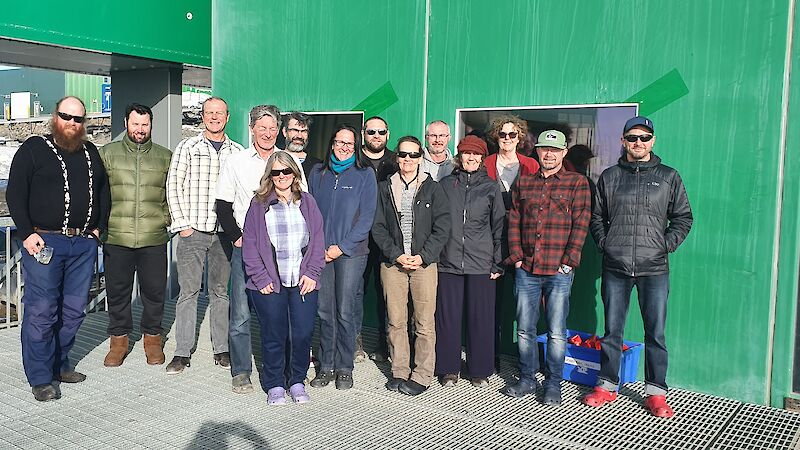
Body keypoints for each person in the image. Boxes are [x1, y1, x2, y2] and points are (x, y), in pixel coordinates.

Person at [582, 116, 693, 418]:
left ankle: (656, 393)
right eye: (633, 138)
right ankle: (606, 385)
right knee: (611, 331)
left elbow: (683, 217)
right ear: (623, 141)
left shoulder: (669, 177)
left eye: (645, 137)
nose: (638, 143)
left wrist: (664, 245)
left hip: (654, 268)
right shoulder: (609, 176)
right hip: (615, 267)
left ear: (653, 141)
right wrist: (606, 243)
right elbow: (596, 217)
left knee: (655, 333)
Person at [7, 96, 109, 401]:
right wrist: (26, 233)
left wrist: (97, 230)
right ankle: (40, 377)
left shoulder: (90, 151)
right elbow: (15, 192)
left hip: (82, 245)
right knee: (42, 311)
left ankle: (59, 363)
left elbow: (104, 192)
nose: (72, 124)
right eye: (67, 117)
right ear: (55, 117)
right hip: (44, 242)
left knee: (74, 310)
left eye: (78, 119)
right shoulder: (33, 149)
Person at [215, 104, 306, 393]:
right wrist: (236, 237)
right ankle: (241, 370)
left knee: (284, 313)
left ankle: (285, 371)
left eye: (272, 128)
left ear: (279, 130)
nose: (267, 133)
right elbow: (223, 205)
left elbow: (304, 201)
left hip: (284, 250)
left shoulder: (290, 160)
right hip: (249, 247)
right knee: (241, 312)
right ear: (252, 128)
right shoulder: (236, 161)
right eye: (261, 127)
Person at [500, 130, 591, 406]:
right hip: (526, 268)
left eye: (554, 150)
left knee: (556, 330)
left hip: (558, 270)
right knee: (525, 329)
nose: (548, 154)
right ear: (537, 152)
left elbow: (582, 223)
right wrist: (515, 256)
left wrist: (569, 261)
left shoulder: (577, 183)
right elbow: (513, 221)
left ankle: (553, 382)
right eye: (543, 149)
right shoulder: (524, 182)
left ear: (564, 153)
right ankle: (527, 378)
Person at [166, 96, 244, 374]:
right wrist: (183, 225)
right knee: (188, 292)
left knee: (220, 293)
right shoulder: (188, 147)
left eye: (219, 113)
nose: (214, 117)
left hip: (224, 234)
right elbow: (173, 186)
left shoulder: (238, 152)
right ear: (203, 116)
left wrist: (237, 230)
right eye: (209, 113)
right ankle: (182, 351)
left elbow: (242, 193)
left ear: (227, 116)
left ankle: (221, 349)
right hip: (193, 230)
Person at [242, 151, 325, 405]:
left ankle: (297, 380)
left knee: (301, 333)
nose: (281, 177)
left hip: (302, 281)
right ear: (270, 175)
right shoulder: (259, 204)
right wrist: (261, 277)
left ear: (294, 174)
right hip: (271, 282)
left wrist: (312, 273)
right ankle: (275, 383)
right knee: (274, 334)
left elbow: (318, 239)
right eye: (276, 172)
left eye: (286, 171)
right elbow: (251, 244)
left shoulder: (307, 202)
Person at [372, 136, 450, 396]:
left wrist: (424, 256)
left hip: (424, 266)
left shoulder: (433, 188)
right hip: (393, 264)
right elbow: (378, 227)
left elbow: (442, 228)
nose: (408, 159)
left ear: (420, 158)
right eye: (403, 155)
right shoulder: (385, 188)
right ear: (397, 157)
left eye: (413, 155)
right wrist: (396, 254)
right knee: (396, 321)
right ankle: (399, 370)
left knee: (424, 323)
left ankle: (422, 375)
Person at [100, 103, 171, 368]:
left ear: (151, 126)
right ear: (125, 123)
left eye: (145, 124)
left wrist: (166, 219)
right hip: (117, 236)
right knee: (118, 292)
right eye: (135, 124)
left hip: (153, 237)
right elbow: (98, 194)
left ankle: (152, 339)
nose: (140, 129)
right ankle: (118, 341)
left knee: (154, 292)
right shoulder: (107, 154)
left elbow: (172, 194)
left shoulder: (165, 157)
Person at [308, 124, 377, 390]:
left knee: (345, 311)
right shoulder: (318, 173)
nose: (344, 147)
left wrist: (341, 246)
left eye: (349, 143)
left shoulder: (364, 174)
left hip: (351, 254)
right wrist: (319, 247)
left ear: (356, 146)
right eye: (340, 142)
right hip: (321, 254)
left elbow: (366, 218)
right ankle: (326, 366)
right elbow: (310, 212)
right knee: (325, 311)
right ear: (332, 143)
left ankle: (345, 367)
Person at [434, 135, 505, 388]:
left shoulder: (490, 187)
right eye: (466, 153)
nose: (471, 158)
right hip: (448, 261)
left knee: (480, 318)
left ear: (482, 158)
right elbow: (435, 223)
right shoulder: (445, 185)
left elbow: (499, 226)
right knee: (448, 318)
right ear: (459, 156)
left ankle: (479, 370)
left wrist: (497, 262)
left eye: (476, 154)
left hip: (481, 262)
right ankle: (448, 368)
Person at [356, 116, 398, 362]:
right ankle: (355, 342)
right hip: (358, 237)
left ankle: (385, 345)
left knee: (387, 293)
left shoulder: (396, 161)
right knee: (355, 292)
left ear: (387, 134)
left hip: (387, 238)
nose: (376, 135)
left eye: (381, 131)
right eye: (371, 131)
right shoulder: (354, 160)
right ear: (364, 133)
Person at [483, 115, 540, 211]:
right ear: (497, 138)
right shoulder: (486, 163)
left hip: (521, 221)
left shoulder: (531, 165)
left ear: (519, 138)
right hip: (491, 221)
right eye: (502, 134)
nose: (507, 138)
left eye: (512, 134)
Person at [282, 111, 321, 179]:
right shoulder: (274, 161)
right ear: (285, 132)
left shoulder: (318, 166)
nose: (299, 136)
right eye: (295, 130)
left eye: (304, 131)